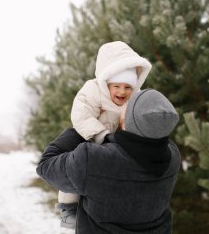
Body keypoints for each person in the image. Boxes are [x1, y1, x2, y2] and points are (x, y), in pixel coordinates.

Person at [37, 89, 181, 233]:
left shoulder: (93, 160)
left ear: (125, 122)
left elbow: (45, 166)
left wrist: (83, 126)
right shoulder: (172, 157)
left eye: (127, 105)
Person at [56, 41, 152, 228]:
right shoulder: (92, 90)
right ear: (106, 80)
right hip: (90, 140)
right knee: (77, 171)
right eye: (116, 86)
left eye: (127, 87)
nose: (122, 92)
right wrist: (102, 135)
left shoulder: (136, 97)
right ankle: (68, 208)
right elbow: (81, 114)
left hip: (119, 146)